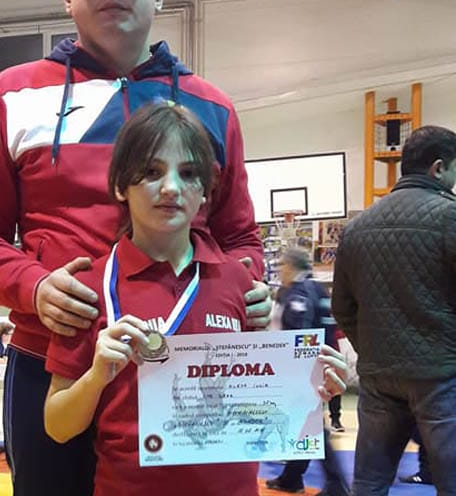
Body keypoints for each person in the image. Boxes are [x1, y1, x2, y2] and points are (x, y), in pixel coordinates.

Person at [0, 0, 272, 496]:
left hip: (185, 367)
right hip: (52, 362)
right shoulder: (12, 95)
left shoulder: (212, 107)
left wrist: (245, 284)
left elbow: (240, 237)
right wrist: (34, 287)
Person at [44, 103, 347, 496]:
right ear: (120, 185)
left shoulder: (238, 281)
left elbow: (264, 401)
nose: (171, 187)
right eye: (152, 172)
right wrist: (96, 376)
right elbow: (57, 426)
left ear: (205, 191)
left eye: (188, 174)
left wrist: (311, 387)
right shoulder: (88, 287)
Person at [332, 125, 456, 495]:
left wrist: (373, 349)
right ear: (438, 168)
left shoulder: (356, 228)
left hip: (379, 377)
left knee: (369, 483)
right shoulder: (450, 217)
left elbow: (342, 307)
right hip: (441, 375)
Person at [266, 247, 349, 496]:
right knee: (306, 423)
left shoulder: (299, 294)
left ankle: (335, 484)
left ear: (292, 267)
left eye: (283, 266)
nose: (280, 272)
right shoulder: (318, 289)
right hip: (316, 366)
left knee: (312, 425)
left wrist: (292, 369)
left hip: (300, 370)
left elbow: (300, 334)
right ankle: (292, 477)